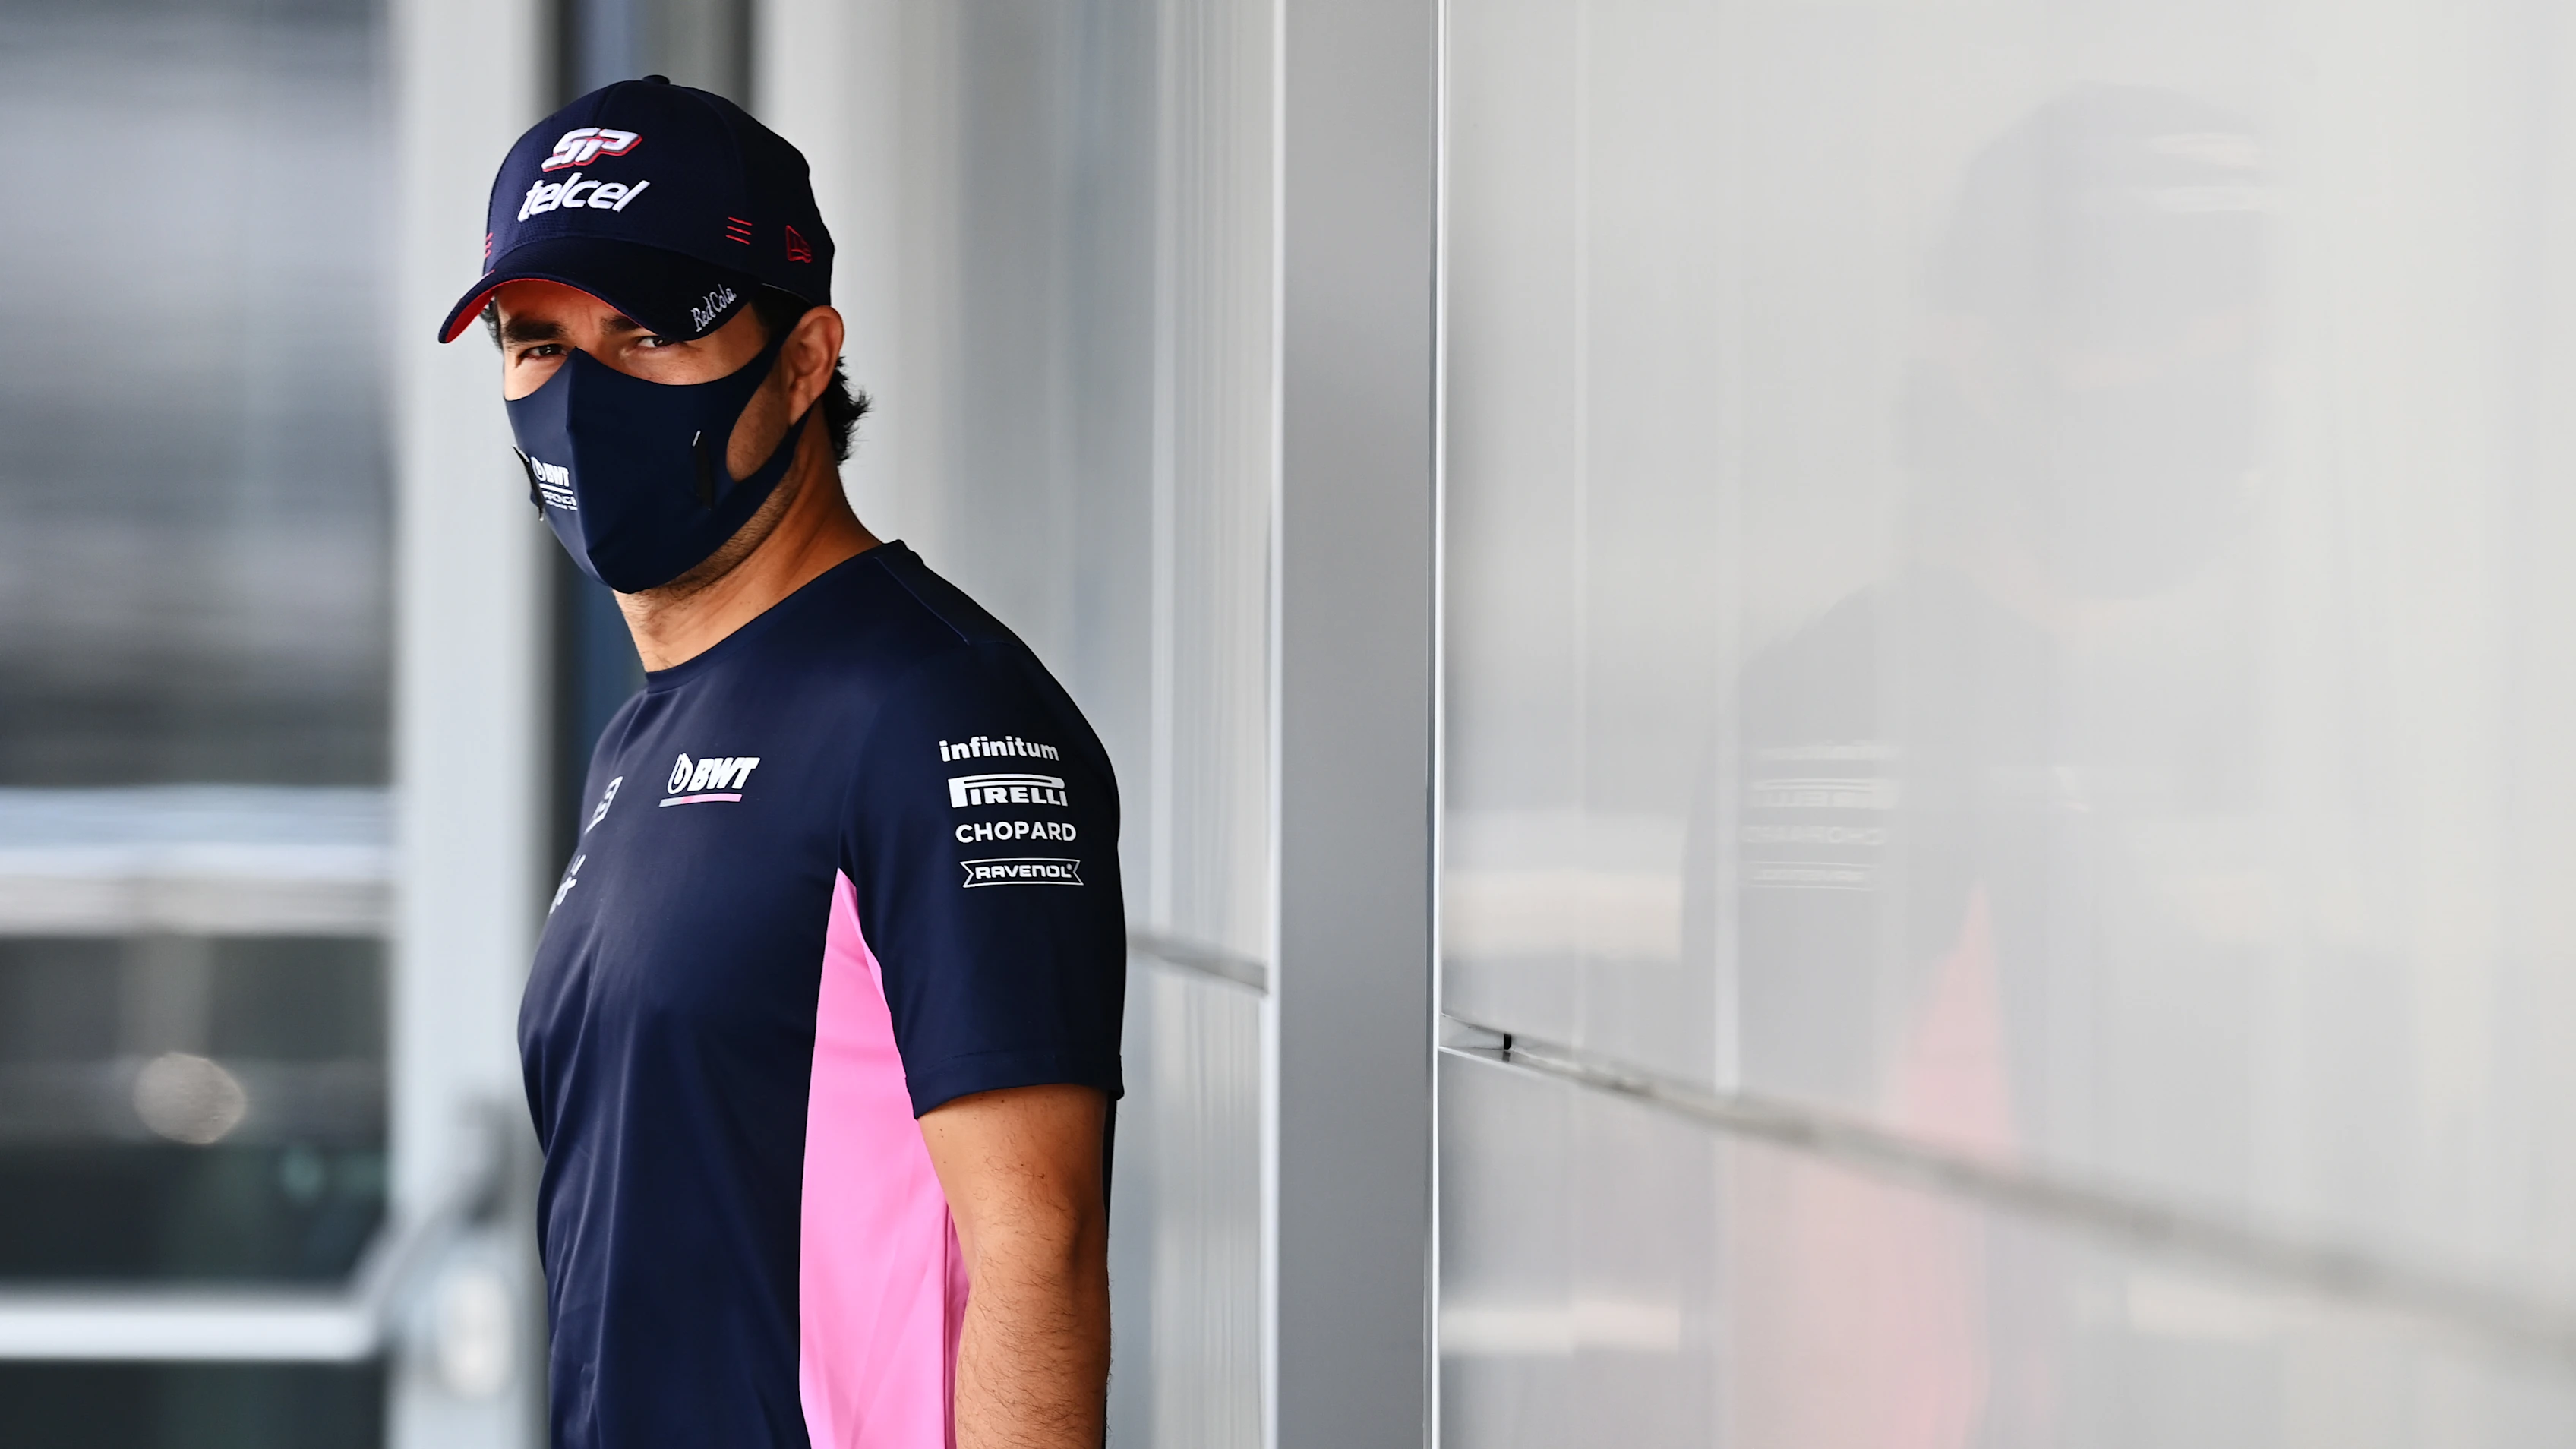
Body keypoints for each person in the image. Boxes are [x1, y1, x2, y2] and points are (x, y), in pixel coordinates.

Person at [434, 77, 1125, 1448]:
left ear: (806, 359)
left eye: (643, 335)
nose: (578, 399)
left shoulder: (935, 711)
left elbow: (1036, 1258)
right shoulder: (649, 733)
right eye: (534, 343)